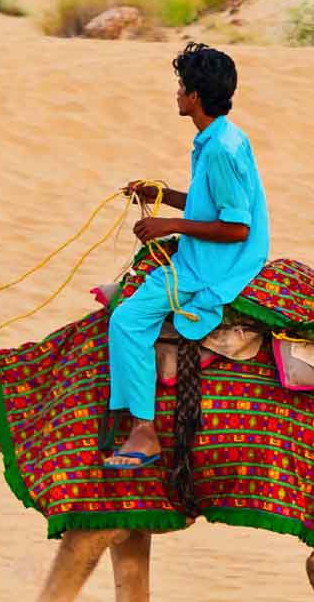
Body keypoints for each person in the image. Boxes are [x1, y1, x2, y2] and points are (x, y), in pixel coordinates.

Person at [107, 44, 270, 470]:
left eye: (181, 87)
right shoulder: (217, 138)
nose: (177, 94)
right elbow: (207, 204)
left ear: (195, 97)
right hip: (209, 250)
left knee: (127, 320)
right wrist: (158, 195)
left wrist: (170, 226)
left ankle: (144, 431)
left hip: (215, 264)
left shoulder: (221, 149)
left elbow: (237, 227)